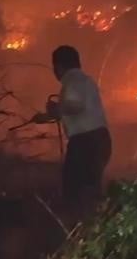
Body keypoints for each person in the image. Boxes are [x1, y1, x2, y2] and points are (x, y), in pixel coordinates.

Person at [37, 45, 112, 209]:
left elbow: (75, 106)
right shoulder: (86, 80)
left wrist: (56, 108)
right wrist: (46, 116)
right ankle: (96, 226)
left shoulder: (72, 80)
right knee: (90, 188)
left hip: (85, 142)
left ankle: (78, 227)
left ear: (59, 66)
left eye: (54, 67)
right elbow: (75, 109)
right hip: (100, 139)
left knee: (74, 190)